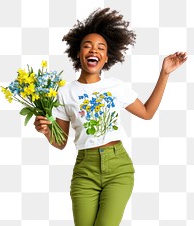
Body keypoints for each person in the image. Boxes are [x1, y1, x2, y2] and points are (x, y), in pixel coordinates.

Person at [34, 8, 187, 226]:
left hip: (118, 168)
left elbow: (147, 113)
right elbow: (60, 143)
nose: (93, 50)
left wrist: (164, 73)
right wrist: (46, 131)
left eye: (100, 47)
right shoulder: (64, 93)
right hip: (84, 171)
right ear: (78, 53)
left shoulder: (115, 87)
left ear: (106, 57)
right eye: (87, 46)